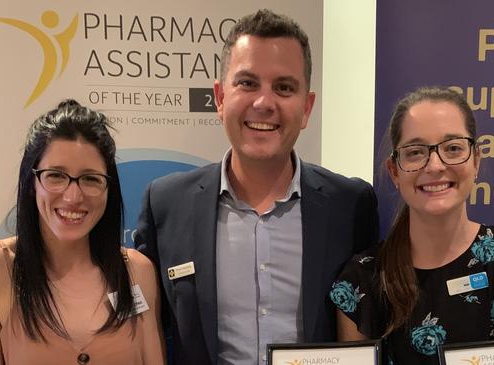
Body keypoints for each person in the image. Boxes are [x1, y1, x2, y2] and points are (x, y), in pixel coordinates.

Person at [134, 9, 379, 365]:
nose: (264, 103)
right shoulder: (166, 204)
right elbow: (142, 329)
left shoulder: (351, 205)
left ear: (307, 108)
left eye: (283, 87)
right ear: (220, 98)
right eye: (247, 83)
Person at [330, 86, 494, 364]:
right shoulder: (360, 281)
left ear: (476, 160)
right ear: (394, 171)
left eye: (453, 148)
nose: (435, 165)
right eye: (415, 152)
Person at [0, 100, 165, 365]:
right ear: (32, 183)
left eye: (90, 178)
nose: (73, 196)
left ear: (109, 189)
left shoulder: (136, 271)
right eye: (56, 176)